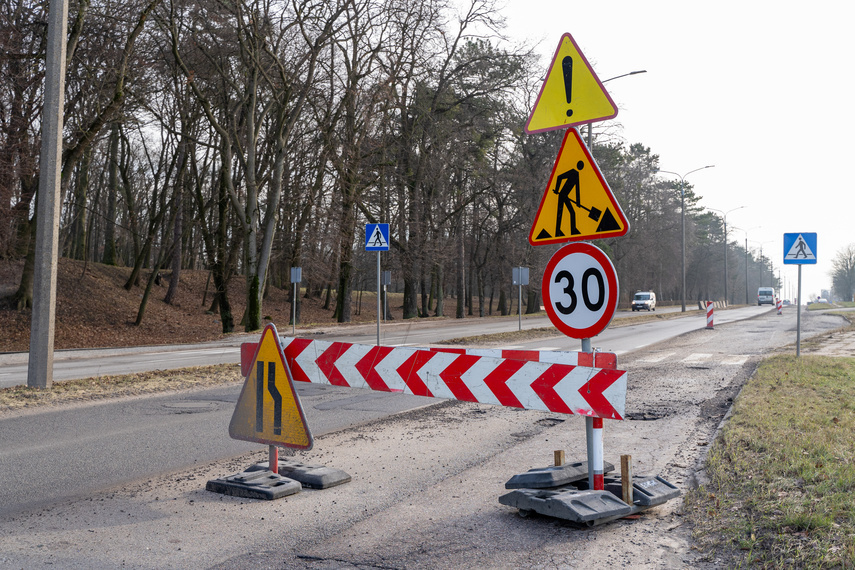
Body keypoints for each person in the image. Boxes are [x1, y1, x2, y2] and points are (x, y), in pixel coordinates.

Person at [553, 160, 584, 237]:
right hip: (562, 195)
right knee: (560, 213)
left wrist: (578, 202)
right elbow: (559, 177)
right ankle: (558, 232)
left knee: (572, 213)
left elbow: (577, 190)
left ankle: (573, 230)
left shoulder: (577, 175)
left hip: (565, 196)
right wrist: (557, 190)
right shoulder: (572, 172)